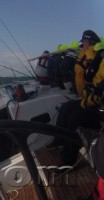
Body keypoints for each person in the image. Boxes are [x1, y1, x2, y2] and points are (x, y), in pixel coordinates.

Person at [47, 30, 101, 165]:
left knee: (75, 119)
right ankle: (59, 139)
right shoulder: (93, 58)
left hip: (98, 106)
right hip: (88, 100)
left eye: (85, 44)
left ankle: (67, 161)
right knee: (66, 108)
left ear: (91, 44)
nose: (82, 46)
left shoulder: (98, 59)